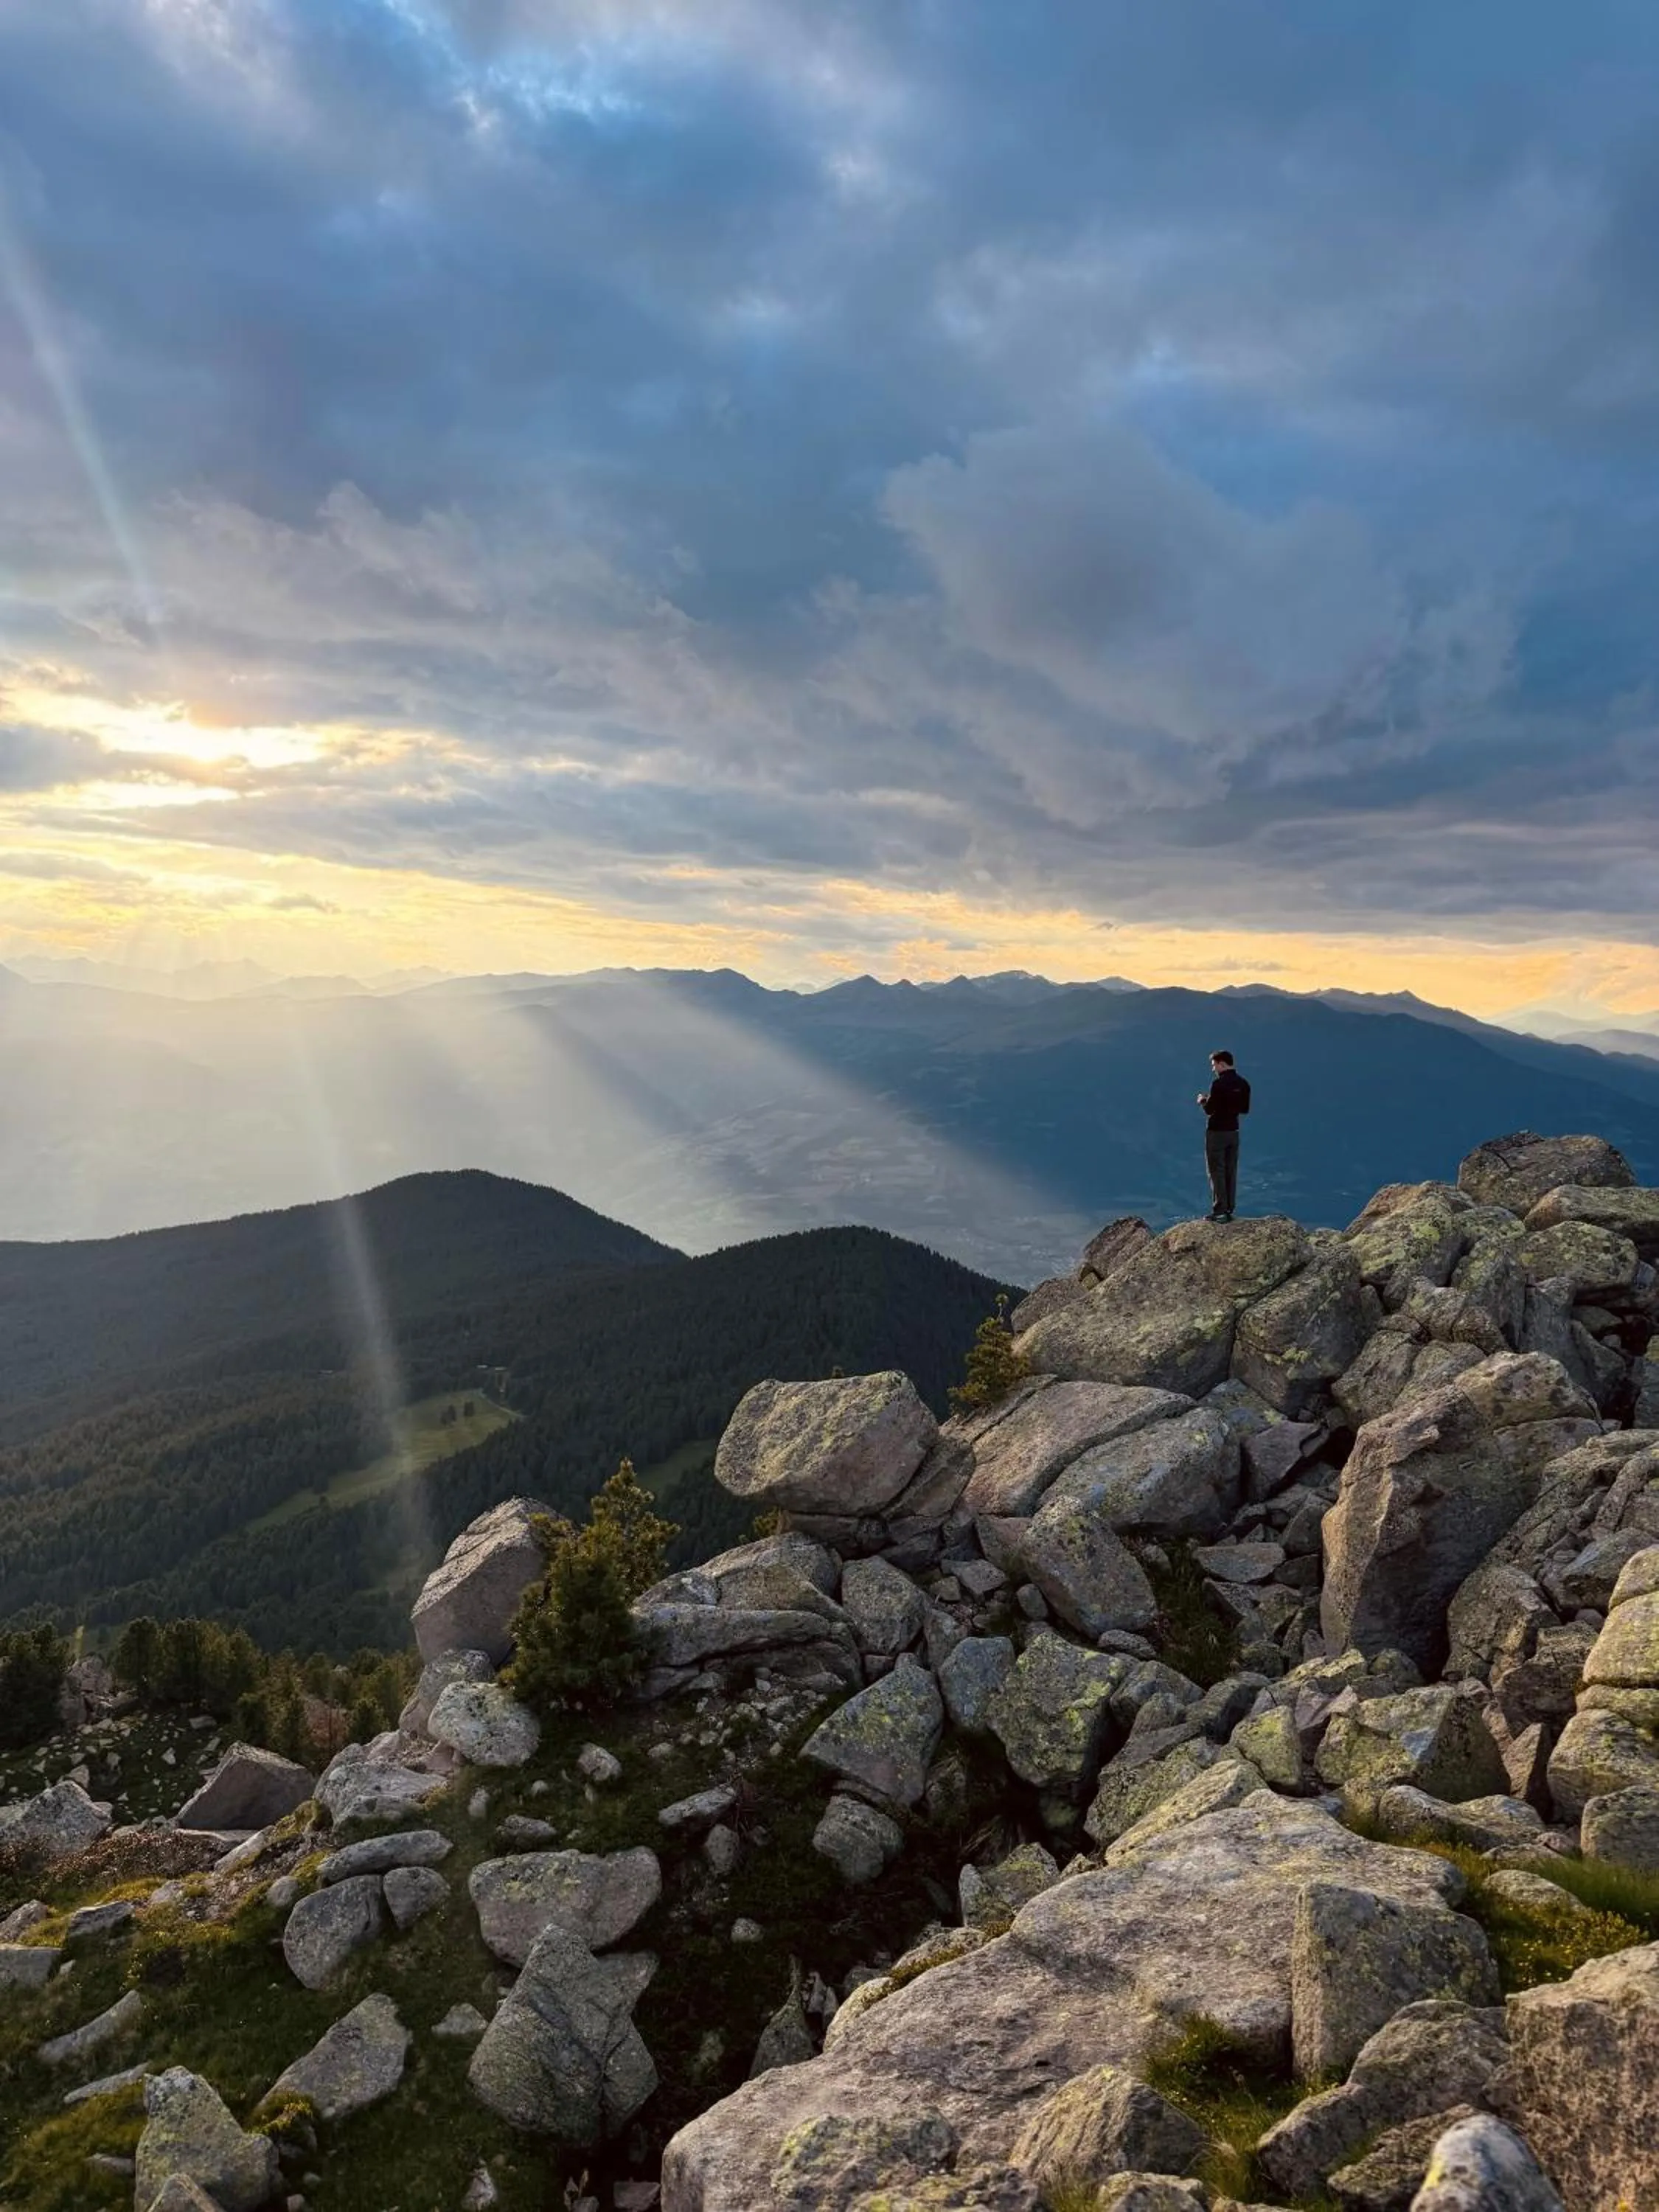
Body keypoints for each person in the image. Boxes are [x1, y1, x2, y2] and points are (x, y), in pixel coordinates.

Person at [1196, 1049, 1251, 1221]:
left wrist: (1203, 1100)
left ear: (1221, 1064)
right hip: (1233, 1132)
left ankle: (1219, 1210)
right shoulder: (1243, 1084)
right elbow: (1244, 1109)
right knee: (1230, 1169)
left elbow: (1210, 1110)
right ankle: (1229, 1209)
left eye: (1214, 1065)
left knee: (1216, 1170)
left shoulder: (1218, 1085)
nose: (1213, 1069)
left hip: (1217, 1132)